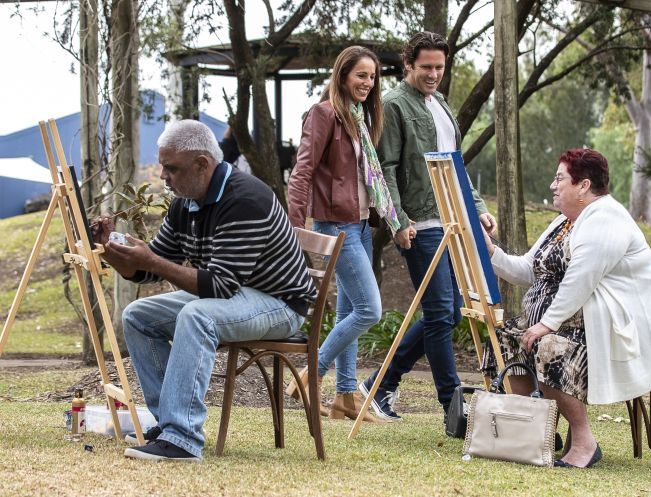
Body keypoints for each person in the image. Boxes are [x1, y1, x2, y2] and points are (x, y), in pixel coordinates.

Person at [92, 120, 316, 462]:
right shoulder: (186, 201)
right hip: (234, 295)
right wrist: (110, 250)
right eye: (163, 166)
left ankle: (182, 439)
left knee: (196, 314)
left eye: (171, 168)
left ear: (202, 164)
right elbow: (149, 269)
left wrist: (151, 258)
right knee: (137, 316)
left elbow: (220, 285)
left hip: (280, 304)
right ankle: (167, 425)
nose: (163, 176)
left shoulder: (245, 199)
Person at [481, 148, 651, 468]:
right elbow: (528, 269)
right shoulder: (564, 222)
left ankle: (584, 442)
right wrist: (490, 252)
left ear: (583, 186)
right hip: (576, 320)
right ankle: (535, 428)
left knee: (548, 346)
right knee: (503, 336)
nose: (553, 186)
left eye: (560, 179)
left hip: (615, 329)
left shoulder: (605, 219)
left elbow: (581, 280)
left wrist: (546, 324)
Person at [359, 32, 497, 422]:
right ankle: (453, 408)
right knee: (440, 314)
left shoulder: (441, 105)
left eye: (439, 66)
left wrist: (478, 207)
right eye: (427, 67)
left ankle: (379, 385)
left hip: (454, 219)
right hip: (420, 224)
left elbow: (454, 165)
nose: (434, 73)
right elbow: (382, 170)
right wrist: (398, 221)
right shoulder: (393, 105)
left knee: (449, 314)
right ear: (408, 65)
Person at [287, 46, 400, 421]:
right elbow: (302, 172)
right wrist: (295, 227)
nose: (367, 83)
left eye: (372, 77)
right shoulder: (323, 115)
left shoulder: (358, 118)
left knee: (351, 309)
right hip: (335, 226)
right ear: (342, 75)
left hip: (360, 224)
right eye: (361, 75)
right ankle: (311, 374)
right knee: (369, 309)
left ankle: (346, 396)